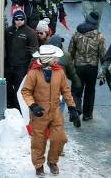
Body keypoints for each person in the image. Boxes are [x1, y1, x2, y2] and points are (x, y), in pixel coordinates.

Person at [21, 45, 80, 176]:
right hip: (39, 112)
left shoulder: (59, 72)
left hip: (55, 111)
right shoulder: (33, 73)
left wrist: (72, 107)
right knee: (38, 141)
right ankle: (38, 165)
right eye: (54, 58)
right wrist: (33, 106)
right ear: (47, 59)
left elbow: (66, 90)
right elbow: (26, 91)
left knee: (60, 138)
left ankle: (52, 161)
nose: (57, 61)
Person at [68, 11, 106, 121]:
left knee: (76, 90)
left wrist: (69, 67)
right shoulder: (99, 36)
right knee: (90, 91)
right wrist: (103, 72)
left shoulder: (77, 33)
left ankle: (77, 108)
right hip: (92, 68)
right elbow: (103, 55)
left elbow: (71, 52)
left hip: (78, 67)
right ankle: (87, 114)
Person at [5, 9, 38, 109]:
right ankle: (9, 105)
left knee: (19, 88)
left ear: (25, 19)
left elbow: (34, 51)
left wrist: (31, 66)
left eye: (21, 19)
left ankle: (17, 106)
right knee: (7, 86)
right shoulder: (8, 31)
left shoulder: (30, 33)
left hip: (22, 66)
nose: (19, 21)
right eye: (17, 19)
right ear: (13, 20)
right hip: (9, 64)